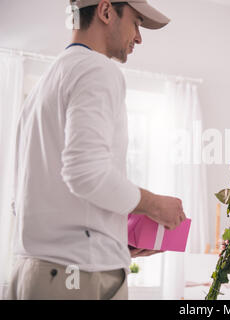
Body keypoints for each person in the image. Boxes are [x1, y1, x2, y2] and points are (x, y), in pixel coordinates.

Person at [7, 0, 186, 300]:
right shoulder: (96, 69)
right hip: (75, 276)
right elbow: (86, 173)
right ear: (105, 11)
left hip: (35, 271)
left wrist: (112, 238)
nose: (139, 37)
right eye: (136, 22)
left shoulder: (43, 87)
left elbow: (28, 199)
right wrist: (156, 205)